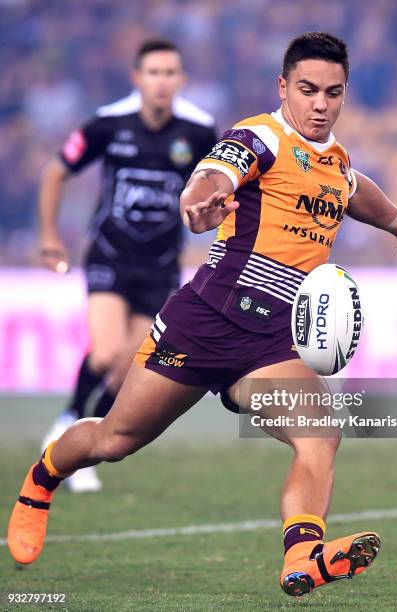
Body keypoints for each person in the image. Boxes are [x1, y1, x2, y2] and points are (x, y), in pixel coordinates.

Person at [8, 32, 397, 597]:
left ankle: (303, 557)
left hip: (267, 344)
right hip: (203, 322)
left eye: (333, 93)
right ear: (283, 87)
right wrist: (199, 202)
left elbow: (355, 191)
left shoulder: (336, 163)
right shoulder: (260, 135)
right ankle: (41, 481)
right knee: (114, 440)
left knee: (320, 435)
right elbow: (212, 177)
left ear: (344, 94)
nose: (320, 104)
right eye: (308, 90)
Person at [38, 39, 217, 492]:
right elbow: (57, 171)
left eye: (170, 73)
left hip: (159, 266)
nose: (162, 81)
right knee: (103, 352)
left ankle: (84, 441)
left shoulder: (199, 132)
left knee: (126, 370)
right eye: (153, 72)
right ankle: (66, 423)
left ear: (181, 80)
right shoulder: (107, 123)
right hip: (110, 257)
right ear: (137, 78)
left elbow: (219, 187)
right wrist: (49, 237)